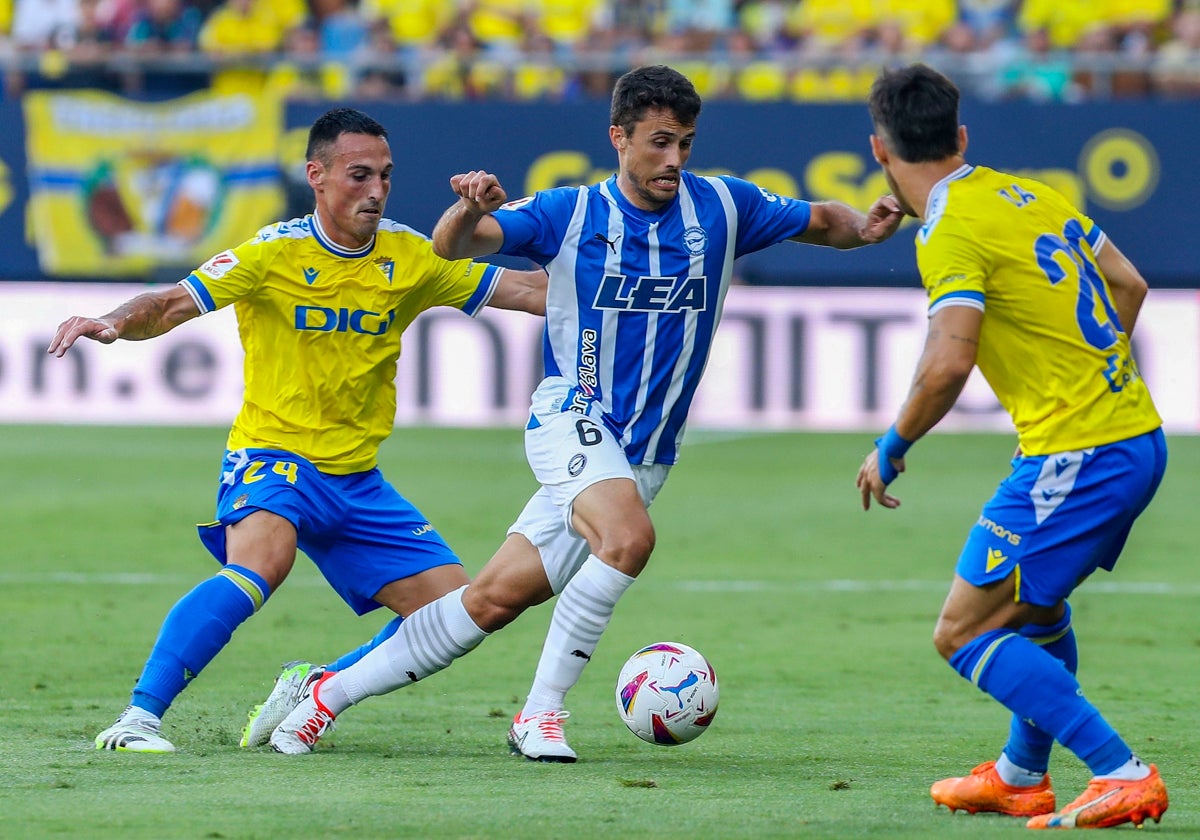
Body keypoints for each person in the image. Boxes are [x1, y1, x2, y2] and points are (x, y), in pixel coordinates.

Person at [261, 64, 904, 759]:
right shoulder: (570, 213)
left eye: (685, 143)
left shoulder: (723, 205)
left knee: (490, 602)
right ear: (618, 138)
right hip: (571, 413)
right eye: (659, 142)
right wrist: (471, 207)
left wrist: (864, 230)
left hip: (645, 453)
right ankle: (541, 713)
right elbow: (450, 248)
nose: (674, 160)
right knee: (628, 541)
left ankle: (324, 695)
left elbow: (819, 221)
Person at [47, 107, 548, 753]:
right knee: (262, 564)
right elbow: (171, 303)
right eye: (359, 175)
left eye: (386, 177)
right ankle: (138, 719)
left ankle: (319, 687)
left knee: (459, 611)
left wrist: (614, 266)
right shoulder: (271, 253)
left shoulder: (412, 257)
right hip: (273, 454)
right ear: (317, 175)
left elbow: (530, 293)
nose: (375, 191)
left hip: (357, 479)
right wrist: (113, 320)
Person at [855, 63, 1168, 830]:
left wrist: (892, 446)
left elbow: (949, 362)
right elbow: (1128, 284)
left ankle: (1121, 772)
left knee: (962, 631)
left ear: (878, 150)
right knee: (1035, 608)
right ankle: (1021, 775)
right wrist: (1089, 375)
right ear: (961, 137)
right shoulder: (1027, 194)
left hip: (1079, 452)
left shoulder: (950, 230)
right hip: (1132, 435)